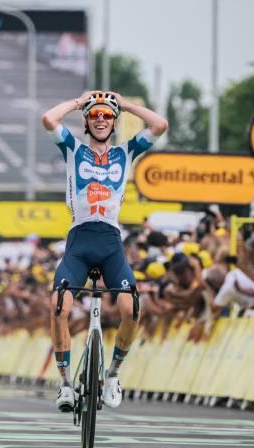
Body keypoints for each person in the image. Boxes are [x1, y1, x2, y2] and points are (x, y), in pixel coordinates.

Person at [41, 90, 168, 412]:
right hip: (79, 242)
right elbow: (49, 119)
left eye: (107, 116)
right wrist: (79, 101)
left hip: (111, 242)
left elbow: (160, 124)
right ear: (86, 120)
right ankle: (66, 383)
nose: (101, 119)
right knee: (59, 307)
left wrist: (123, 105)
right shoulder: (73, 149)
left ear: (115, 123)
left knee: (131, 309)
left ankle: (112, 374)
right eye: (95, 115)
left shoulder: (126, 152)